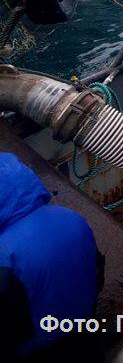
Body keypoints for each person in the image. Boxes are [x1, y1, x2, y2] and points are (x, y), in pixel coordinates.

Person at [0, 153, 99, 359]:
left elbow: (9, 324)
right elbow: (97, 273)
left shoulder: (5, 256)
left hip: (40, 350)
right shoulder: (70, 217)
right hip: (87, 333)